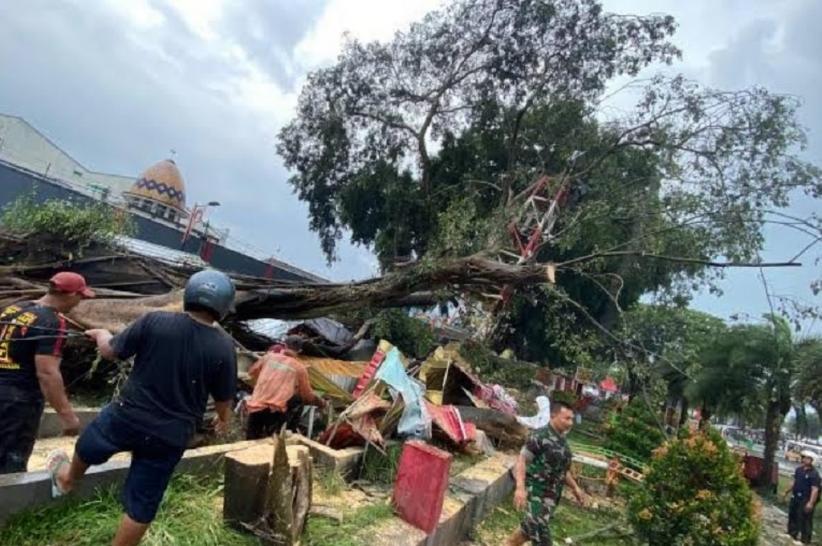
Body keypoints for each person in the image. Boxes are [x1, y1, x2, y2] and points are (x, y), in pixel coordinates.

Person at [47, 269, 237, 546]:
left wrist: (101, 334)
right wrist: (223, 419)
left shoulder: (155, 320)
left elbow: (111, 351)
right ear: (223, 306)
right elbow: (223, 399)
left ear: (189, 295)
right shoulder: (224, 347)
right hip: (173, 432)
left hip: (129, 413)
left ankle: (67, 480)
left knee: (89, 444)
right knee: (143, 499)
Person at [0, 272, 93, 473]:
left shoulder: (15, 309)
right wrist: (68, 417)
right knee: (10, 461)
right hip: (18, 401)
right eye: (80, 297)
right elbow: (47, 373)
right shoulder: (53, 323)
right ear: (69, 295)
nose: (79, 303)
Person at [506, 400, 588, 546]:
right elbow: (522, 460)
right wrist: (520, 487)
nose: (570, 423)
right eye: (566, 418)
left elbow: (563, 470)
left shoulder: (563, 442)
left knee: (526, 531)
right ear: (553, 415)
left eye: (572, 419)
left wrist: (575, 488)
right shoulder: (540, 436)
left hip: (551, 499)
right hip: (537, 494)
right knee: (541, 536)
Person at [245, 335, 326, 440]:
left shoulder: (268, 357)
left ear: (284, 345)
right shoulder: (299, 368)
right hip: (274, 412)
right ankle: (288, 432)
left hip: (255, 405)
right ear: (300, 350)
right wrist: (322, 403)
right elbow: (308, 396)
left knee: (250, 442)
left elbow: (252, 372)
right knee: (297, 401)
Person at [783, 449, 820, 544]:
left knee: (805, 519)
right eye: (803, 457)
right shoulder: (799, 470)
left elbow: (815, 489)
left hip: (806, 499)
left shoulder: (814, 474)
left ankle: (805, 540)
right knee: (793, 514)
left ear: (812, 460)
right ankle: (791, 533)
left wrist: (811, 503)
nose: (804, 460)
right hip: (796, 496)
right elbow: (794, 482)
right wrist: (786, 491)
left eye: (807, 458)